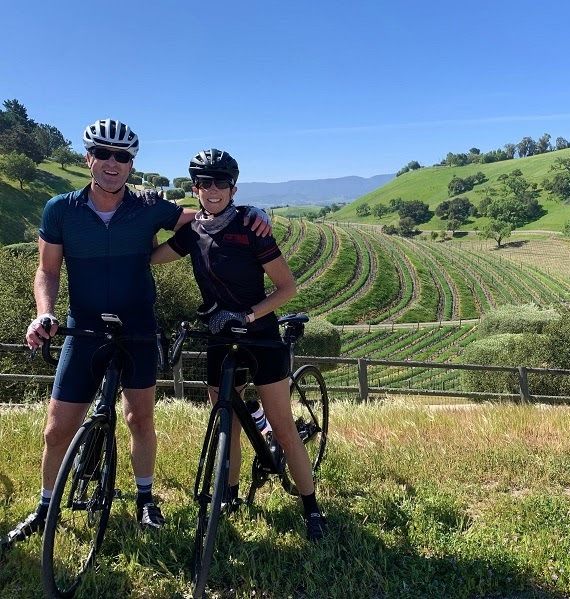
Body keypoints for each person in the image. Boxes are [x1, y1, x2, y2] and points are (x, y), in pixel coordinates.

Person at [3, 121, 271, 547]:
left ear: (131, 164)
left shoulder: (147, 208)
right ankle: (44, 506)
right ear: (88, 158)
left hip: (139, 327)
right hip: (85, 326)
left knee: (139, 418)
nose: (113, 163)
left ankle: (146, 498)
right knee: (56, 430)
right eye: (104, 154)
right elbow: (47, 270)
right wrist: (45, 313)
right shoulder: (60, 209)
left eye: (123, 157)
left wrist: (250, 212)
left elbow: (203, 214)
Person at [151, 149, 327, 541]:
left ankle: (311, 507)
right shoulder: (193, 231)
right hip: (218, 336)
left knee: (281, 427)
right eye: (204, 182)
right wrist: (146, 214)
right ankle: (228, 495)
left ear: (233, 186)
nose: (213, 190)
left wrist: (246, 316)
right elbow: (152, 258)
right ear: (194, 187)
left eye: (221, 182)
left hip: (260, 337)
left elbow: (287, 288)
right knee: (224, 416)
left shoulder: (251, 227)